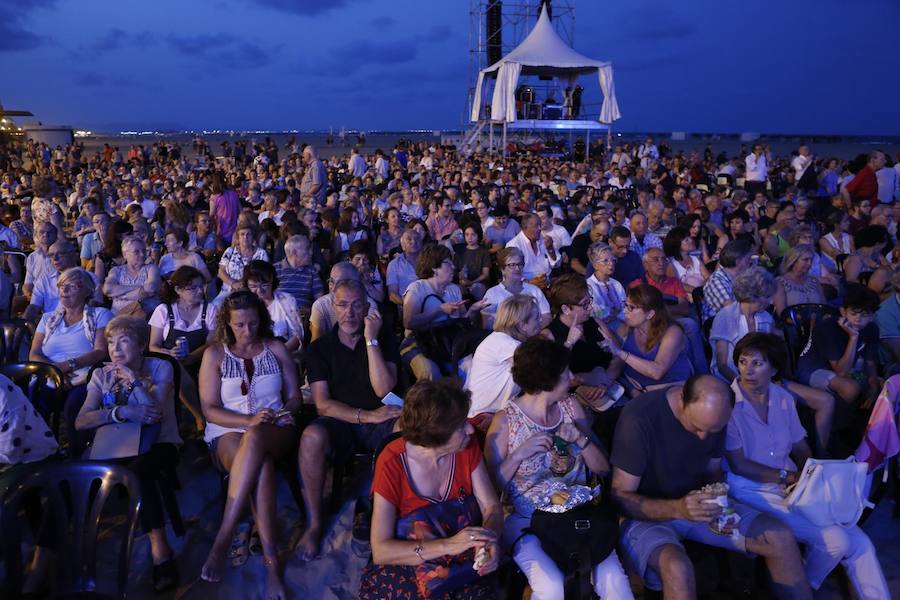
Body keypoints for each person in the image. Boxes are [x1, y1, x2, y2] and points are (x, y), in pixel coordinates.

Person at [611, 375, 812, 599]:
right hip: (646, 513)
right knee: (677, 568)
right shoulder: (640, 418)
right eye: (697, 428)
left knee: (780, 538)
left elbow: (712, 472)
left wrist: (721, 508)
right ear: (681, 399)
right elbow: (621, 497)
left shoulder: (715, 417)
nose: (704, 436)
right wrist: (678, 509)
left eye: (713, 430)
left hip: (698, 505)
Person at [725, 333, 890, 599]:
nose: (748, 370)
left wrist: (811, 473)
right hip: (752, 489)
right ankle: (799, 587)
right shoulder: (729, 403)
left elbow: (800, 445)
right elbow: (738, 463)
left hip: (792, 485)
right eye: (743, 362)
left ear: (775, 368)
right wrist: (787, 476)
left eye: (757, 363)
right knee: (836, 541)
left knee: (861, 544)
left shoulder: (781, 397)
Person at [485, 337, 633, 600]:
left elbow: (602, 468)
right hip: (527, 519)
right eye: (565, 372)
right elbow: (491, 487)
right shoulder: (506, 421)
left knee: (616, 586)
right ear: (547, 380)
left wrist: (580, 439)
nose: (572, 376)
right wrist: (519, 453)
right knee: (551, 588)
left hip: (579, 516)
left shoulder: (570, 406)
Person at [198, 291, 301, 599]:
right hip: (227, 429)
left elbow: (295, 397)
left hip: (275, 427)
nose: (247, 330)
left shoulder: (275, 348)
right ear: (227, 324)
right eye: (240, 325)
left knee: (257, 437)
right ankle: (272, 565)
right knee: (263, 466)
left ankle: (223, 538)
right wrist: (247, 422)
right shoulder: (215, 354)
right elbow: (209, 409)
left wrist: (283, 413)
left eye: (253, 323)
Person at [359, 380, 502, 599]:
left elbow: (491, 506)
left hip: (464, 555)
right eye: (461, 425)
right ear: (436, 438)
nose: (471, 429)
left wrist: (488, 540)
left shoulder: (466, 447)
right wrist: (448, 545)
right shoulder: (392, 462)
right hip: (410, 558)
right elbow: (381, 550)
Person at [75, 316, 182, 592]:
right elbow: (81, 420)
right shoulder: (101, 374)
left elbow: (155, 414)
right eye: (110, 342)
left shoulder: (160, 367)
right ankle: (66, 558)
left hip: (159, 442)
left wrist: (134, 381)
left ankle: (160, 550)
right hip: (113, 445)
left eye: (124, 341)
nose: (115, 349)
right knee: (73, 476)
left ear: (141, 345)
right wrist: (119, 412)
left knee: (138, 474)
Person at [296, 280, 400, 560]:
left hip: (382, 419)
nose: (350, 312)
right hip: (342, 420)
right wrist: (366, 416)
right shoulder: (320, 348)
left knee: (405, 430)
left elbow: (383, 390)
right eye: (342, 304)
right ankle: (315, 523)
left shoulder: (384, 338)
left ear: (367, 308)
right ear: (333, 307)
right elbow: (322, 405)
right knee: (310, 437)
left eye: (357, 305)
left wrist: (371, 339)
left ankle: (376, 509)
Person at [29, 267, 113, 457]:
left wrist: (67, 366)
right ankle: (40, 454)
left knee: (74, 405)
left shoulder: (100, 315)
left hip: (84, 376)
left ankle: (77, 456)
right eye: (61, 286)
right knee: (34, 398)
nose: (64, 291)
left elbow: (101, 351)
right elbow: (34, 353)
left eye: (71, 286)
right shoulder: (48, 318)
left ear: (87, 290)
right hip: (50, 376)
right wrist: (55, 372)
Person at [401, 244, 489, 381]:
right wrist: (439, 309)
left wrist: (473, 310)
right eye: (448, 263)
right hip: (419, 343)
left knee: (474, 367)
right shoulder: (417, 288)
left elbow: (462, 322)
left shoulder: (454, 289)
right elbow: (408, 322)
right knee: (429, 372)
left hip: (448, 342)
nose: (453, 267)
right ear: (434, 267)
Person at [148, 265, 215, 433]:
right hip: (171, 361)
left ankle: (201, 418)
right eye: (193, 288)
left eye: (201, 286)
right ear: (178, 290)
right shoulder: (164, 311)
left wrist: (191, 357)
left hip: (201, 359)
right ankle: (201, 417)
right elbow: (153, 346)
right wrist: (170, 353)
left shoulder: (210, 309)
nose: (200, 291)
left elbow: (211, 343)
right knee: (174, 368)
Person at [795, 285, 882, 407]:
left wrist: (873, 383)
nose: (858, 319)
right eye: (854, 313)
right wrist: (853, 337)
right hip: (812, 368)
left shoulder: (872, 329)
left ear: (872, 316)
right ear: (843, 312)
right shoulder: (828, 327)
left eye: (864, 315)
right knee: (850, 388)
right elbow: (841, 371)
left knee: (881, 385)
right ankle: (841, 422)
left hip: (842, 368)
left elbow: (870, 361)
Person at [465, 294, 542, 422]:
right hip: (481, 419)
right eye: (536, 318)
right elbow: (542, 373)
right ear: (522, 325)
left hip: (496, 415)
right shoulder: (503, 342)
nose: (541, 320)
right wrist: (569, 343)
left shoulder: (509, 341)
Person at [605, 283, 693, 395]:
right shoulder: (625, 330)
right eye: (626, 305)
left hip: (674, 392)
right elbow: (617, 364)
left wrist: (621, 353)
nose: (625, 311)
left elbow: (657, 372)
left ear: (650, 314)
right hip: (640, 393)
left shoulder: (672, 332)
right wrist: (604, 383)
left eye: (631, 307)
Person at [709, 266, 777, 381]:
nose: (771, 301)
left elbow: (770, 356)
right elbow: (722, 366)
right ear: (752, 295)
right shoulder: (725, 317)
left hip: (759, 379)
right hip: (729, 381)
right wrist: (742, 384)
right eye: (767, 297)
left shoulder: (767, 318)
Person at [243, 260, 305, 354]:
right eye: (253, 286)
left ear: (272, 280)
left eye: (264, 285)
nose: (259, 290)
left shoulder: (287, 300)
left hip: (283, 353)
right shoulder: (244, 306)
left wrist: (277, 354)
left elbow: (297, 336)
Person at [482, 247, 551, 330]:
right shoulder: (492, 293)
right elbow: (489, 325)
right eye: (512, 265)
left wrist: (532, 332)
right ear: (502, 269)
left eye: (520, 264)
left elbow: (546, 316)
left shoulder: (534, 290)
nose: (517, 269)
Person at [309, 261, 376, 341]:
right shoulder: (321, 305)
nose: (332, 287)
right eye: (331, 281)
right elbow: (315, 344)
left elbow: (369, 340)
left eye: (343, 283)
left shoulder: (369, 305)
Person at [102, 235, 161, 317]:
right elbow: (107, 289)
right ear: (125, 254)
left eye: (143, 251)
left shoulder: (151, 268)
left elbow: (150, 289)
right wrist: (140, 288)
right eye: (136, 252)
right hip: (119, 315)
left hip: (146, 315)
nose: (142, 255)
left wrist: (122, 295)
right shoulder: (116, 270)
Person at [702, 239, 754, 320]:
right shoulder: (717, 280)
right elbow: (732, 311)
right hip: (722, 327)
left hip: (739, 321)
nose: (751, 262)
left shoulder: (739, 277)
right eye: (748, 259)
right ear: (738, 262)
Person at [216, 222, 269, 301]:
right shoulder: (230, 251)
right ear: (238, 238)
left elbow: (264, 275)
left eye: (248, 234)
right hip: (228, 291)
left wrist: (244, 285)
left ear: (253, 237)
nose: (245, 237)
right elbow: (221, 272)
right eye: (242, 234)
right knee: (215, 307)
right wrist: (233, 283)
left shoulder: (261, 253)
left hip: (252, 292)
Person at [505, 213, 560, 288]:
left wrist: (550, 249)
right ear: (525, 227)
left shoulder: (544, 239)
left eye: (540, 225)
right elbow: (511, 275)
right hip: (525, 286)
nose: (540, 228)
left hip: (548, 281)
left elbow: (556, 265)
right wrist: (530, 283)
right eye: (536, 226)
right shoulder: (514, 245)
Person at [773, 245, 826, 315]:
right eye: (805, 260)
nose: (809, 264)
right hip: (793, 324)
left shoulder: (814, 281)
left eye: (811, 260)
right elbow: (782, 312)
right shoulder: (780, 283)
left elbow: (824, 307)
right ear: (794, 261)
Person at [385, 227, 422, 312]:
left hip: (429, 304)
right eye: (409, 239)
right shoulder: (394, 265)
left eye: (416, 238)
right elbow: (392, 295)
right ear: (402, 245)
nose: (413, 241)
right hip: (406, 308)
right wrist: (408, 304)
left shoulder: (429, 261)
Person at [663, 226, 709, 293]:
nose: (691, 240)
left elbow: (708, 277)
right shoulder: (671, 264)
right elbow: (675, 284)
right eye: (686, 239)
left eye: (689, 237)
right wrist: (697, 292)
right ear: (677, 245)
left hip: (704, 293)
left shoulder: (696, 260)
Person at [454, 223, 492, 300]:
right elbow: (454, 271)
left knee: (476, 288)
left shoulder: (483, 252)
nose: (469, 238)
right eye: (467, 235)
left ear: (478, 236)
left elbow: (485, 275)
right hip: (463, 283)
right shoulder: (460, 251)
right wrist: (460, 276)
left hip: (479, 283)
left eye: (473, 235)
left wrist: (471, 283)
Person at [208, 172, 241, 250]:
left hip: (221, 231)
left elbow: (211, 215)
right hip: (234, 231)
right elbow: (241, 210)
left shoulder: (214, 197)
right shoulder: (233, 194)